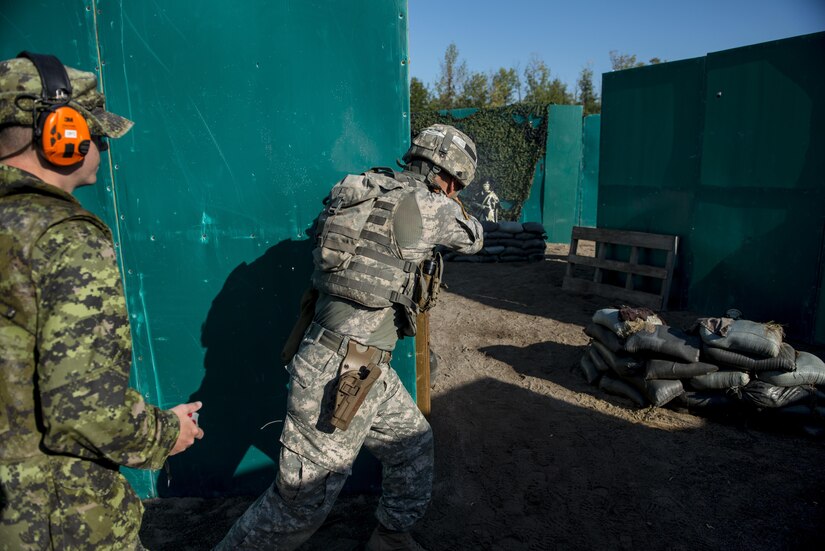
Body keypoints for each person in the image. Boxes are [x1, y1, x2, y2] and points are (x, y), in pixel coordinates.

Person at [216, 124, 483, 551]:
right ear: (446, 176)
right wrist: (449, 202)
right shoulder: (428, 206)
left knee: (411, 445)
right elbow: (474, 238)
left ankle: (390, 538)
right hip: (341, 372)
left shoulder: (364, 191)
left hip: (362, 368)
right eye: (455, 183)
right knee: (298, 505)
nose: (454, 190)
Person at [0, 52, 203, 550]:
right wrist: (163, 433)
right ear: (62, 132)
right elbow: (81, 404)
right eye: (96, 132)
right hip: (55, 522)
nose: (102, 147)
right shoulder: (61, 236)